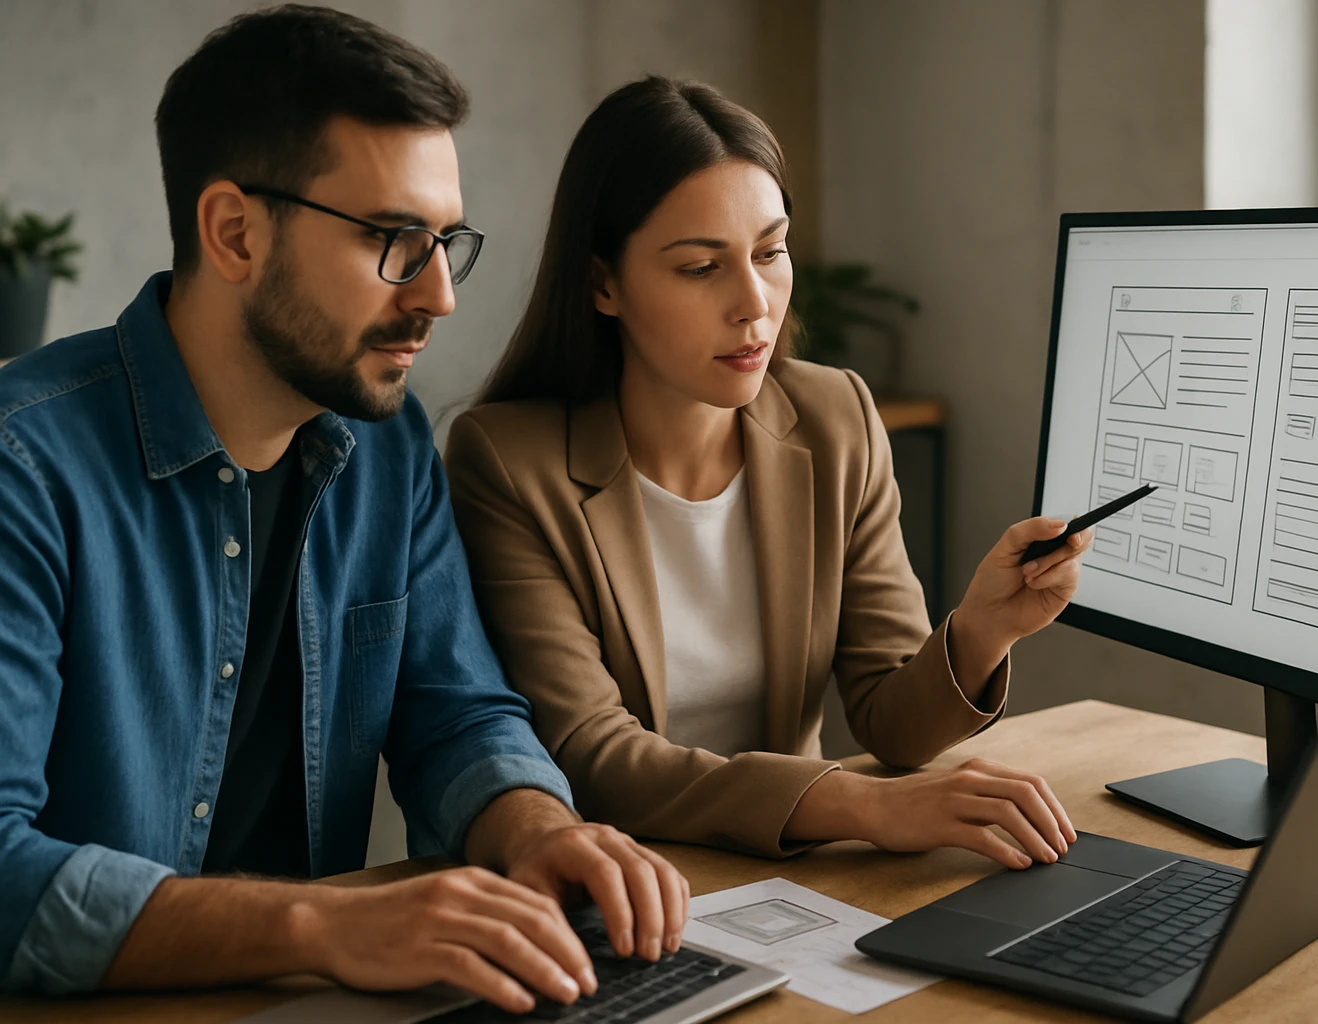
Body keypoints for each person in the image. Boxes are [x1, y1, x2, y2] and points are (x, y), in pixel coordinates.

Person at [0, 8, 688, 1015]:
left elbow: (455, 713)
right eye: (394, 241)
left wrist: (538, 828)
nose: (441, 294)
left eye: (446, 240)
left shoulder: (389, 445)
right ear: (233, 231)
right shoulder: (24, 465)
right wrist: (325, 927)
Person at [445, 77, 1092, 870]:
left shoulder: (834, 416)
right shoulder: (508, 461)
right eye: (699, 268)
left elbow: (890, 720)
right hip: (608, 884)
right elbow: (591, 754)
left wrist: (985, 628)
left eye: (770, 251)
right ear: (603, 284)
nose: (755, 303)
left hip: (788, 884)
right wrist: (862, 803)